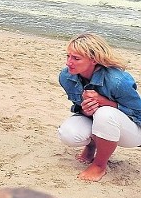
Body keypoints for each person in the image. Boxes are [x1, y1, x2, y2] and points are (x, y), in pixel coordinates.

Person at [58, 33, 141, 182]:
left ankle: (99, 165)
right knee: (68, 134)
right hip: (101, 123)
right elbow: (77, 106)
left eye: (76, 58)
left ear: (93, 60)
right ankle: (91, 147)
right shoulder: (66, 77)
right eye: (68, 56)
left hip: (132, 131)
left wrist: (107, 103)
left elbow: (139, 113)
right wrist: (84, 110)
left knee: (105, 113)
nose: (69, 62)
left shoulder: (117, 81)